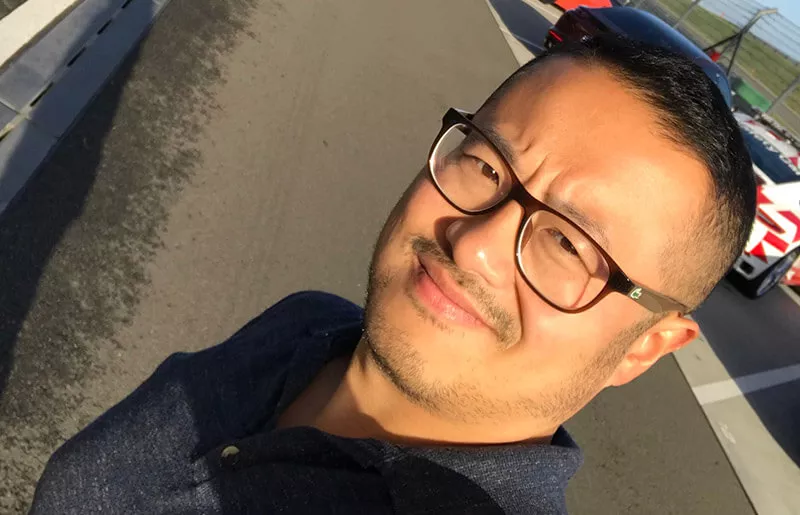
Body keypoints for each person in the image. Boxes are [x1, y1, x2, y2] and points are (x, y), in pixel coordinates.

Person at [30, 34, 755, 514]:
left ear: (646, 345)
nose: (473, 244)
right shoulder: (305, 326)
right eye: (485, 164)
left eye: (569, 245)